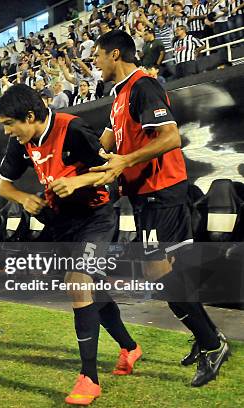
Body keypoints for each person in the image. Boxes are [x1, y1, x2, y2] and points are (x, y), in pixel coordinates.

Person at [91, 29, 229, 387]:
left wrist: (125, 161)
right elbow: (106, 142)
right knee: (170, 276)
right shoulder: (120, 95)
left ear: (115, 54)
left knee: (163, 278)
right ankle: (208, 339)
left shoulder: (142, 86)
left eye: (98, 55)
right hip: (146, 197)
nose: (95, 62)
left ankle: (212, 345)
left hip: (161, 194)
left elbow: (170, 137)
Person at [0, 83, 141, 406]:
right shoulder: (21, 141)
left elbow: (110, 171)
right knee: (92, 289)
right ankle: (130, 348)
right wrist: (23, 198)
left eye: (9, 123)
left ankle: (89, 377)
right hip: (62, 222)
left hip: (96, 217)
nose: (6, 131)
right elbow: (3, 186)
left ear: (30, 116)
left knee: (78, 283)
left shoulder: (72, 128)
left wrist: (77, 180)